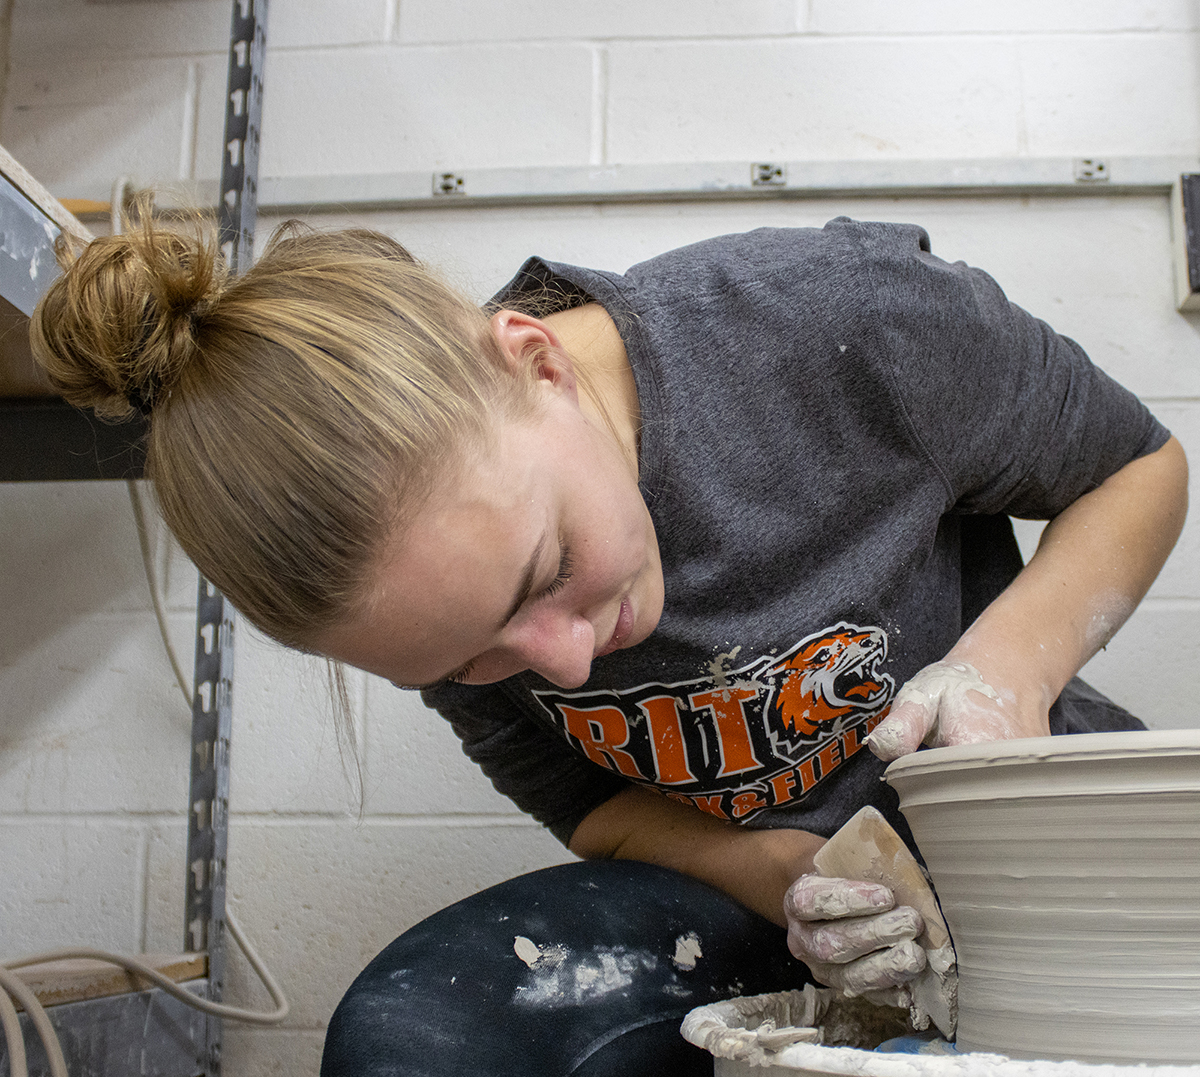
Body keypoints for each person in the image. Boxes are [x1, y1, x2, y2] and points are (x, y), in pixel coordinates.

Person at [31, 211, 1187, 1075]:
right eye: (479, 662)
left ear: (536, 362)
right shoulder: (430, 600)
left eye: (547, 575)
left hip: (1037, 871)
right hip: (787, 913)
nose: (567, 664)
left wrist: (1008, 671)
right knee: (412, 1038)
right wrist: (764, 865)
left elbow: (1139, 465)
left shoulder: (841, 322)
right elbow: (583, 800)